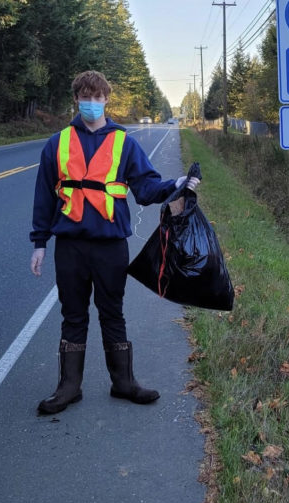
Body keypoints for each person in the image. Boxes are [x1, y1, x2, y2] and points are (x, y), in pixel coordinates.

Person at [29, 70, 200, 415]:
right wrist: (39, 243)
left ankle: (124, 382)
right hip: (71, 246)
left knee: (112, 313)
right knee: (73, 315)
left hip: (110, 246)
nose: (91, 103)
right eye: (85, 97)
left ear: (107, 99)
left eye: (97, 97)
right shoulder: (58, 143)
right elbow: (44, 197)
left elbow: (147, 187)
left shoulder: (124, 143)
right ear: (76, 100)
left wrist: (178, 184)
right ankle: (69, 387)